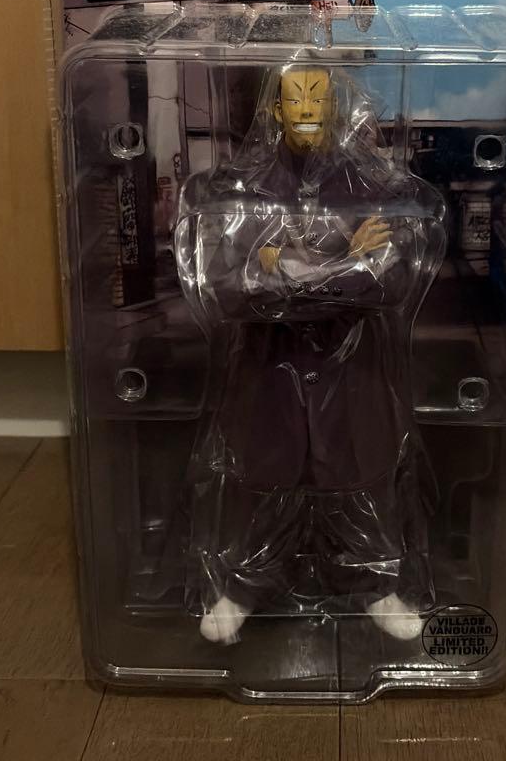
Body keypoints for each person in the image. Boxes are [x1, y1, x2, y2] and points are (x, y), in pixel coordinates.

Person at [174, 65, 446, 643]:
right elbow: (229, 290)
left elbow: (387, 284)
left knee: (360, 483)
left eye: (317, 97)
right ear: (274, 111)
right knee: (261, 487)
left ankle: (374, 583)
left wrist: (286, 272)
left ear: (335, 110)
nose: (305, 107)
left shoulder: (373, 190)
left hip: (352, 375)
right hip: (267, 374)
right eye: (293, 97)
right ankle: (244, 586)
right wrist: (344, 261)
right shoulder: (241, 193)